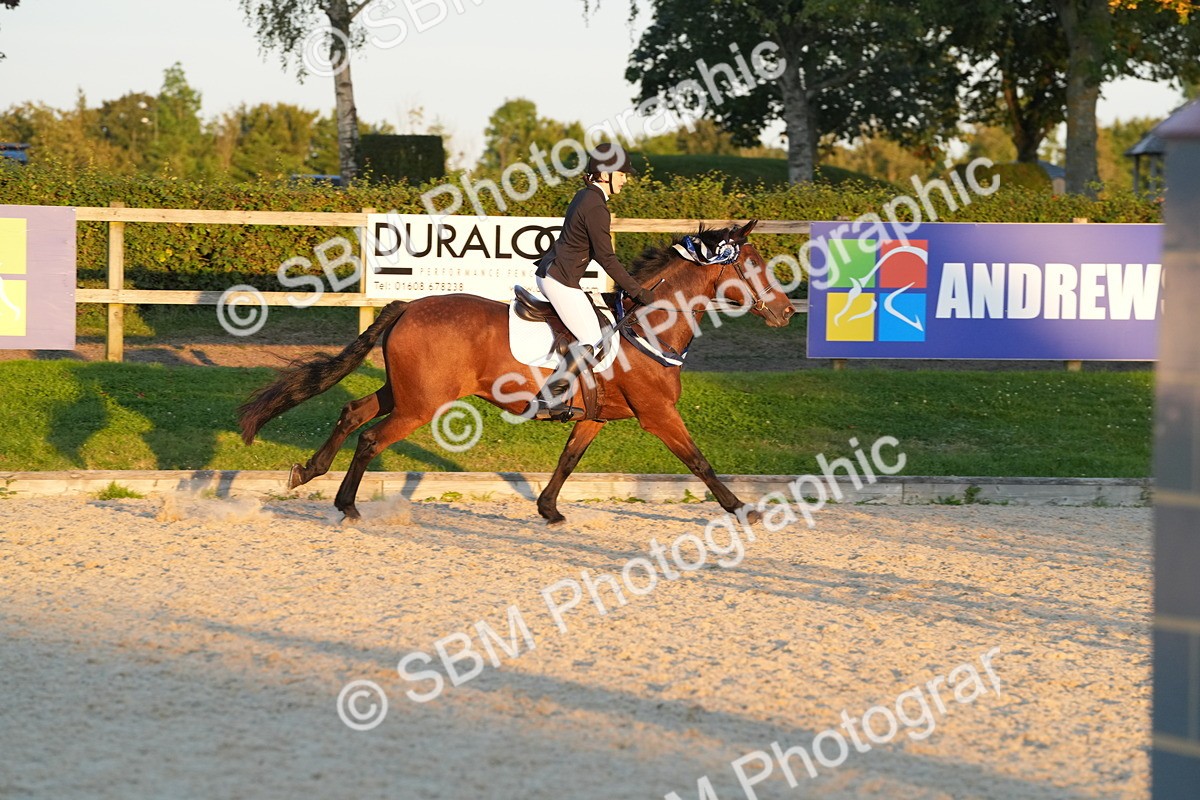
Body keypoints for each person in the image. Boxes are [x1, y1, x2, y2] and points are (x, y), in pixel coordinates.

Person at [530, 142, 655, 420]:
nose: (625, 179)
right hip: (559, 279)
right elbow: (607, 258)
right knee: (593, 338)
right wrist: (638, 292)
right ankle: (548, 400)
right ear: (606, 173)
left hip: (555, 274)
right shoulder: (596, 206)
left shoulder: (585, 195)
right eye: (622, 174)